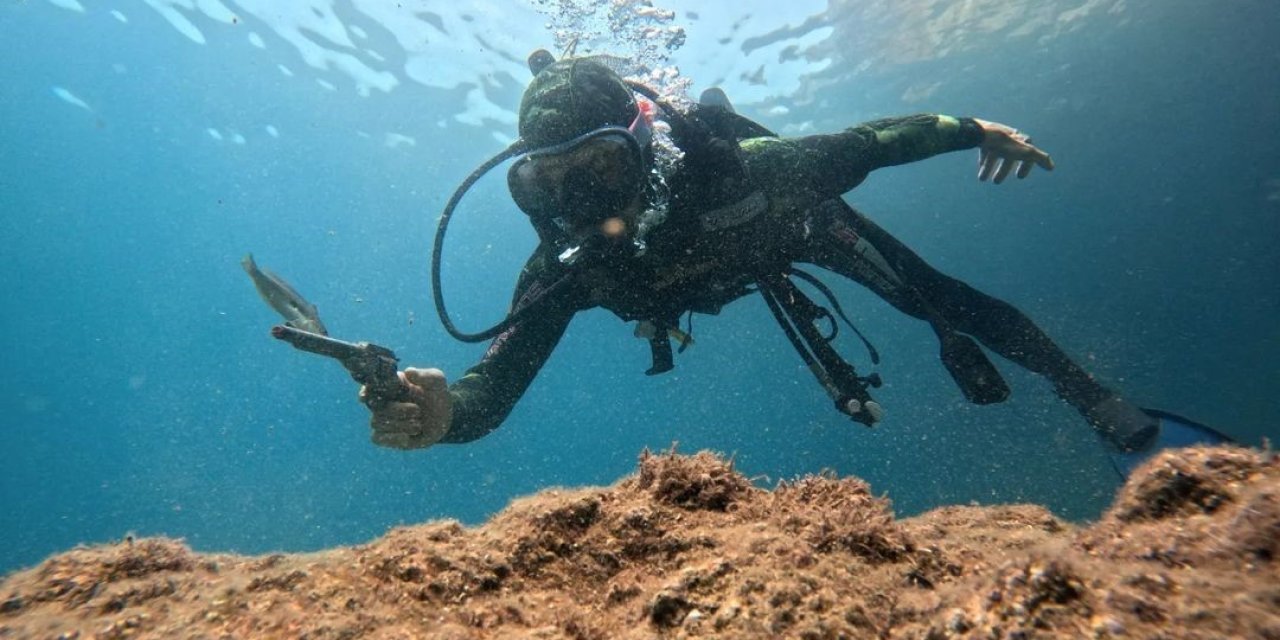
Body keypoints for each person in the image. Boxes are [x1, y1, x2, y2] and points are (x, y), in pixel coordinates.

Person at [360, 53, 1228, 475]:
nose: (582, 208)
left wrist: (975, 128)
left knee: (940, 299)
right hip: (733, 256)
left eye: (598, 173)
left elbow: (874, 142)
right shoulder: (567, 263)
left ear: (645, 150)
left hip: (793, 231)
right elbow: (490, 393)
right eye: (546, 187)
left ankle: (1112, 412)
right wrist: (443, 416)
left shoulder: (761, 173)